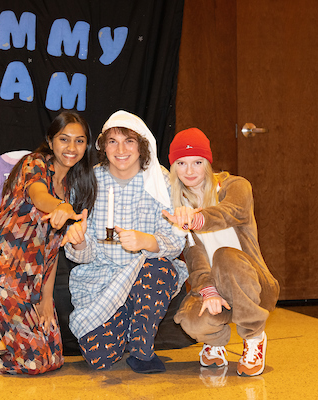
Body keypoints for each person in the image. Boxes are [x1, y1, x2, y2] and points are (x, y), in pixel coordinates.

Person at [0, 111, 97, 375]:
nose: (72, 147)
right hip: (1, 275)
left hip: (33, 283)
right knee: (35, 363)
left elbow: (52, 250)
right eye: (64, 139)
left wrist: (46, 298)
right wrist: (59, 206)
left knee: (54, 359)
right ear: (50, 141)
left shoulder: (71, 187)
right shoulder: (33, 164)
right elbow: (39, 195)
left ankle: (7, 343)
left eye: (79, 141)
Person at [62, 110, 187, 373]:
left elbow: (176, 242)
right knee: (100, 359)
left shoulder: (161, 180)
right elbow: (85, 254)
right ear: (103, 146)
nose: (121, 150)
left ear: (142, 145)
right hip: (101, 279)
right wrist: (79, 242)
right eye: (113, 141)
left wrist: (147, 240)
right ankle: (125, 319)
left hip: (145, 275)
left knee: (159, 268)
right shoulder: (88, 182)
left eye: (129, 141)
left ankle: (142, 349)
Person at [162, 127, 280, 377]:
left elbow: (231, 212)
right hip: (217, 287)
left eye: (197, 162)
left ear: (207, 162)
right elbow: (195, 260)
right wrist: (209, 290)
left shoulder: (235, 185)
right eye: (181, 163)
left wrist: (195, 219)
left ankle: (254, 337)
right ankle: (214, 343)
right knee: (190, 318)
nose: (190, 170)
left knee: (225, 255)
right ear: (173, 167)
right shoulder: (179, 208)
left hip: (253, 286)